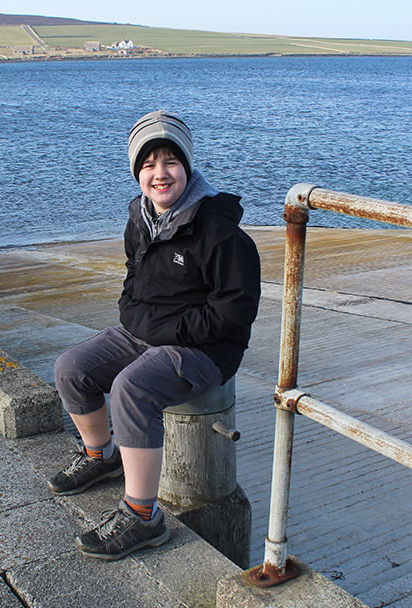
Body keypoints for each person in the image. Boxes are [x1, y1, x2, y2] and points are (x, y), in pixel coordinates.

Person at [49, 110, 261, 561]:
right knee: (72, 368)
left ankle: (143, 516)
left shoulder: (220, 233)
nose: (159, 174)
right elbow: (132, 283)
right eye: (148, 165)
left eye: (170, 162)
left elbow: (234, 313)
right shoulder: (140, 219)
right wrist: (137, 320)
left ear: (187, 166)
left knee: (132, 388)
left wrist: (167, 331)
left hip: (206, 349)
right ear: (136, 172)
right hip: (145, 333)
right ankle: (101, 455)